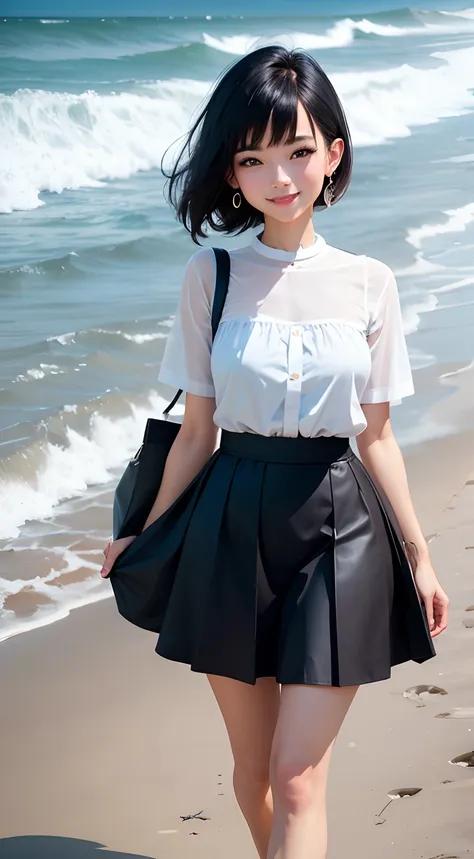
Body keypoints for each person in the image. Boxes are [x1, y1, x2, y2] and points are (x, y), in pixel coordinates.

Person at [100, 46, 449, 859]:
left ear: (334, 154)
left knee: (298, 778)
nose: (279, 176)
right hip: (229, 524)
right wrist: (143, 530)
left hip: (342, 526)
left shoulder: (371, 283)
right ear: (232, 173)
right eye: (253, 158)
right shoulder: (210, 275)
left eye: (297, 151)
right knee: (253, 773)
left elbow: (378, 434)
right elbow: (197, 431)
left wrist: (422, 558)